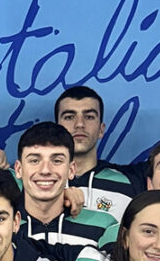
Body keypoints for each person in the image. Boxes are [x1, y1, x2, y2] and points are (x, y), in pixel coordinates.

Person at [14, 122, 116, 252]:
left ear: (71, 169)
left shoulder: (105, 225)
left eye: (57, 161)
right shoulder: (2, 226)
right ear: (18, 169)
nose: (45, 170)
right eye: (35, 161)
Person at [54, 85, 138, 220]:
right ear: (56, 129)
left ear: (101, 130)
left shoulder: (129, 183)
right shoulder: (35, 182)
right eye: (69, 117)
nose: (79, 124)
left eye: (89, 117)